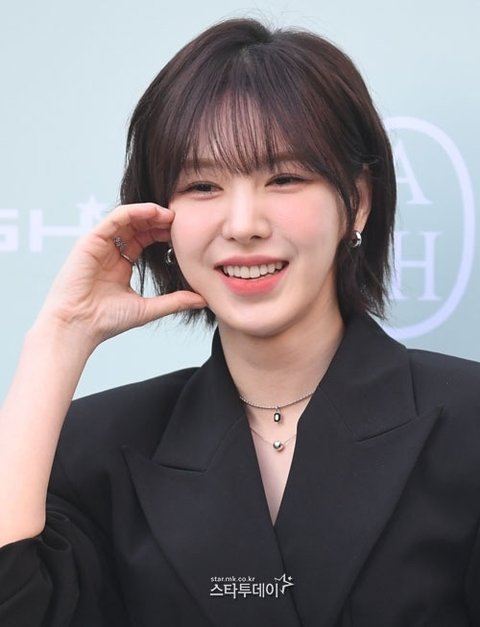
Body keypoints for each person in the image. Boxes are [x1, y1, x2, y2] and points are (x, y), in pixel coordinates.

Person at [1, 16, 479, 627]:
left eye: (284, 178)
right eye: (203, 185)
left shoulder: (467, 422)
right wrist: (59, 334)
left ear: (357, 201)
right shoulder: (98, 448)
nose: (244, 224)